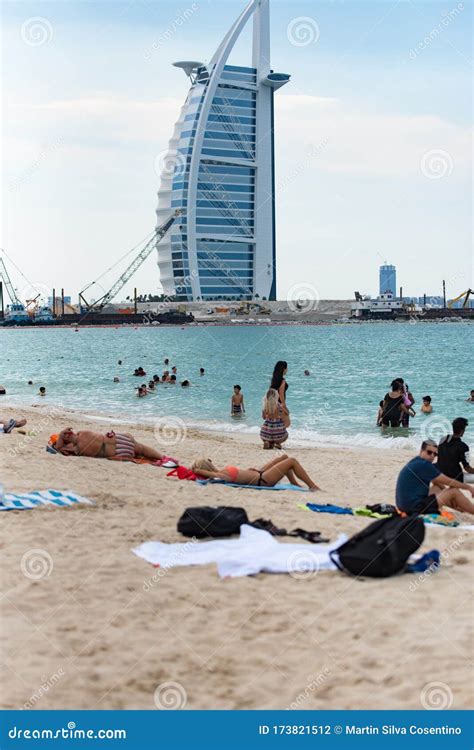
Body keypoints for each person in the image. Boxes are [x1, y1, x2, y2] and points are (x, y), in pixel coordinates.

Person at [395, 439, 474, 515]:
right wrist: (468, 487)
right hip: (414, 508)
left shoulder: (417, 461)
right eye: (429, 452)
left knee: (438, 487)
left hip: (405, 506)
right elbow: (448, 481)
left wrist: (449, 496)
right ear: (421, 451)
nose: (432, 456)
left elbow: (436, 481)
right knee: (454, 491)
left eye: (435, 454)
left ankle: (461, 508)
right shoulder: (423, 465)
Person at [192, 453, 320, 490]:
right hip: (263, 480)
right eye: (208, 461)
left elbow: (240, 474)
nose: (210, 460)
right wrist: (197, 470)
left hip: (259, 473)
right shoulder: (220, 475)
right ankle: (312, 486)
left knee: (284, 457)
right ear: (206, 467)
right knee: (292, 461)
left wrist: (248, 471)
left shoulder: (221, 471)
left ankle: (294, 484)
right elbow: (210, 475)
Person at [55, 428, 166, 460]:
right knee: (140, 448)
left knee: (139, 449)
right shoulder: (82, 434)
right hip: (119, 440)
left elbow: (59, 447)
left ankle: (162, 458)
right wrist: (61, 434)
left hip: (118, 450)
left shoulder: (78, 449)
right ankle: (162, 457)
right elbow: (60, 447)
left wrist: (61, 437)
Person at [438, 418, 474, 485]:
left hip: (441, 474)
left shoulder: (442, 440)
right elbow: (467, 468)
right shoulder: (464, 447)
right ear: (462, 431)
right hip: (455, 477)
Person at [270, 360, 290, 427]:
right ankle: (279, 435)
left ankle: (276, 435)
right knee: (287, 423)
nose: (287, 370)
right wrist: (284, 406)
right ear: (283, 369)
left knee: (276, 422)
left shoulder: (274, 380)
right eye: (286, 368)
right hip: (279, 404)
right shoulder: (282, 381)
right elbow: (281, 394)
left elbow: (271, 392)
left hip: (272, 403)